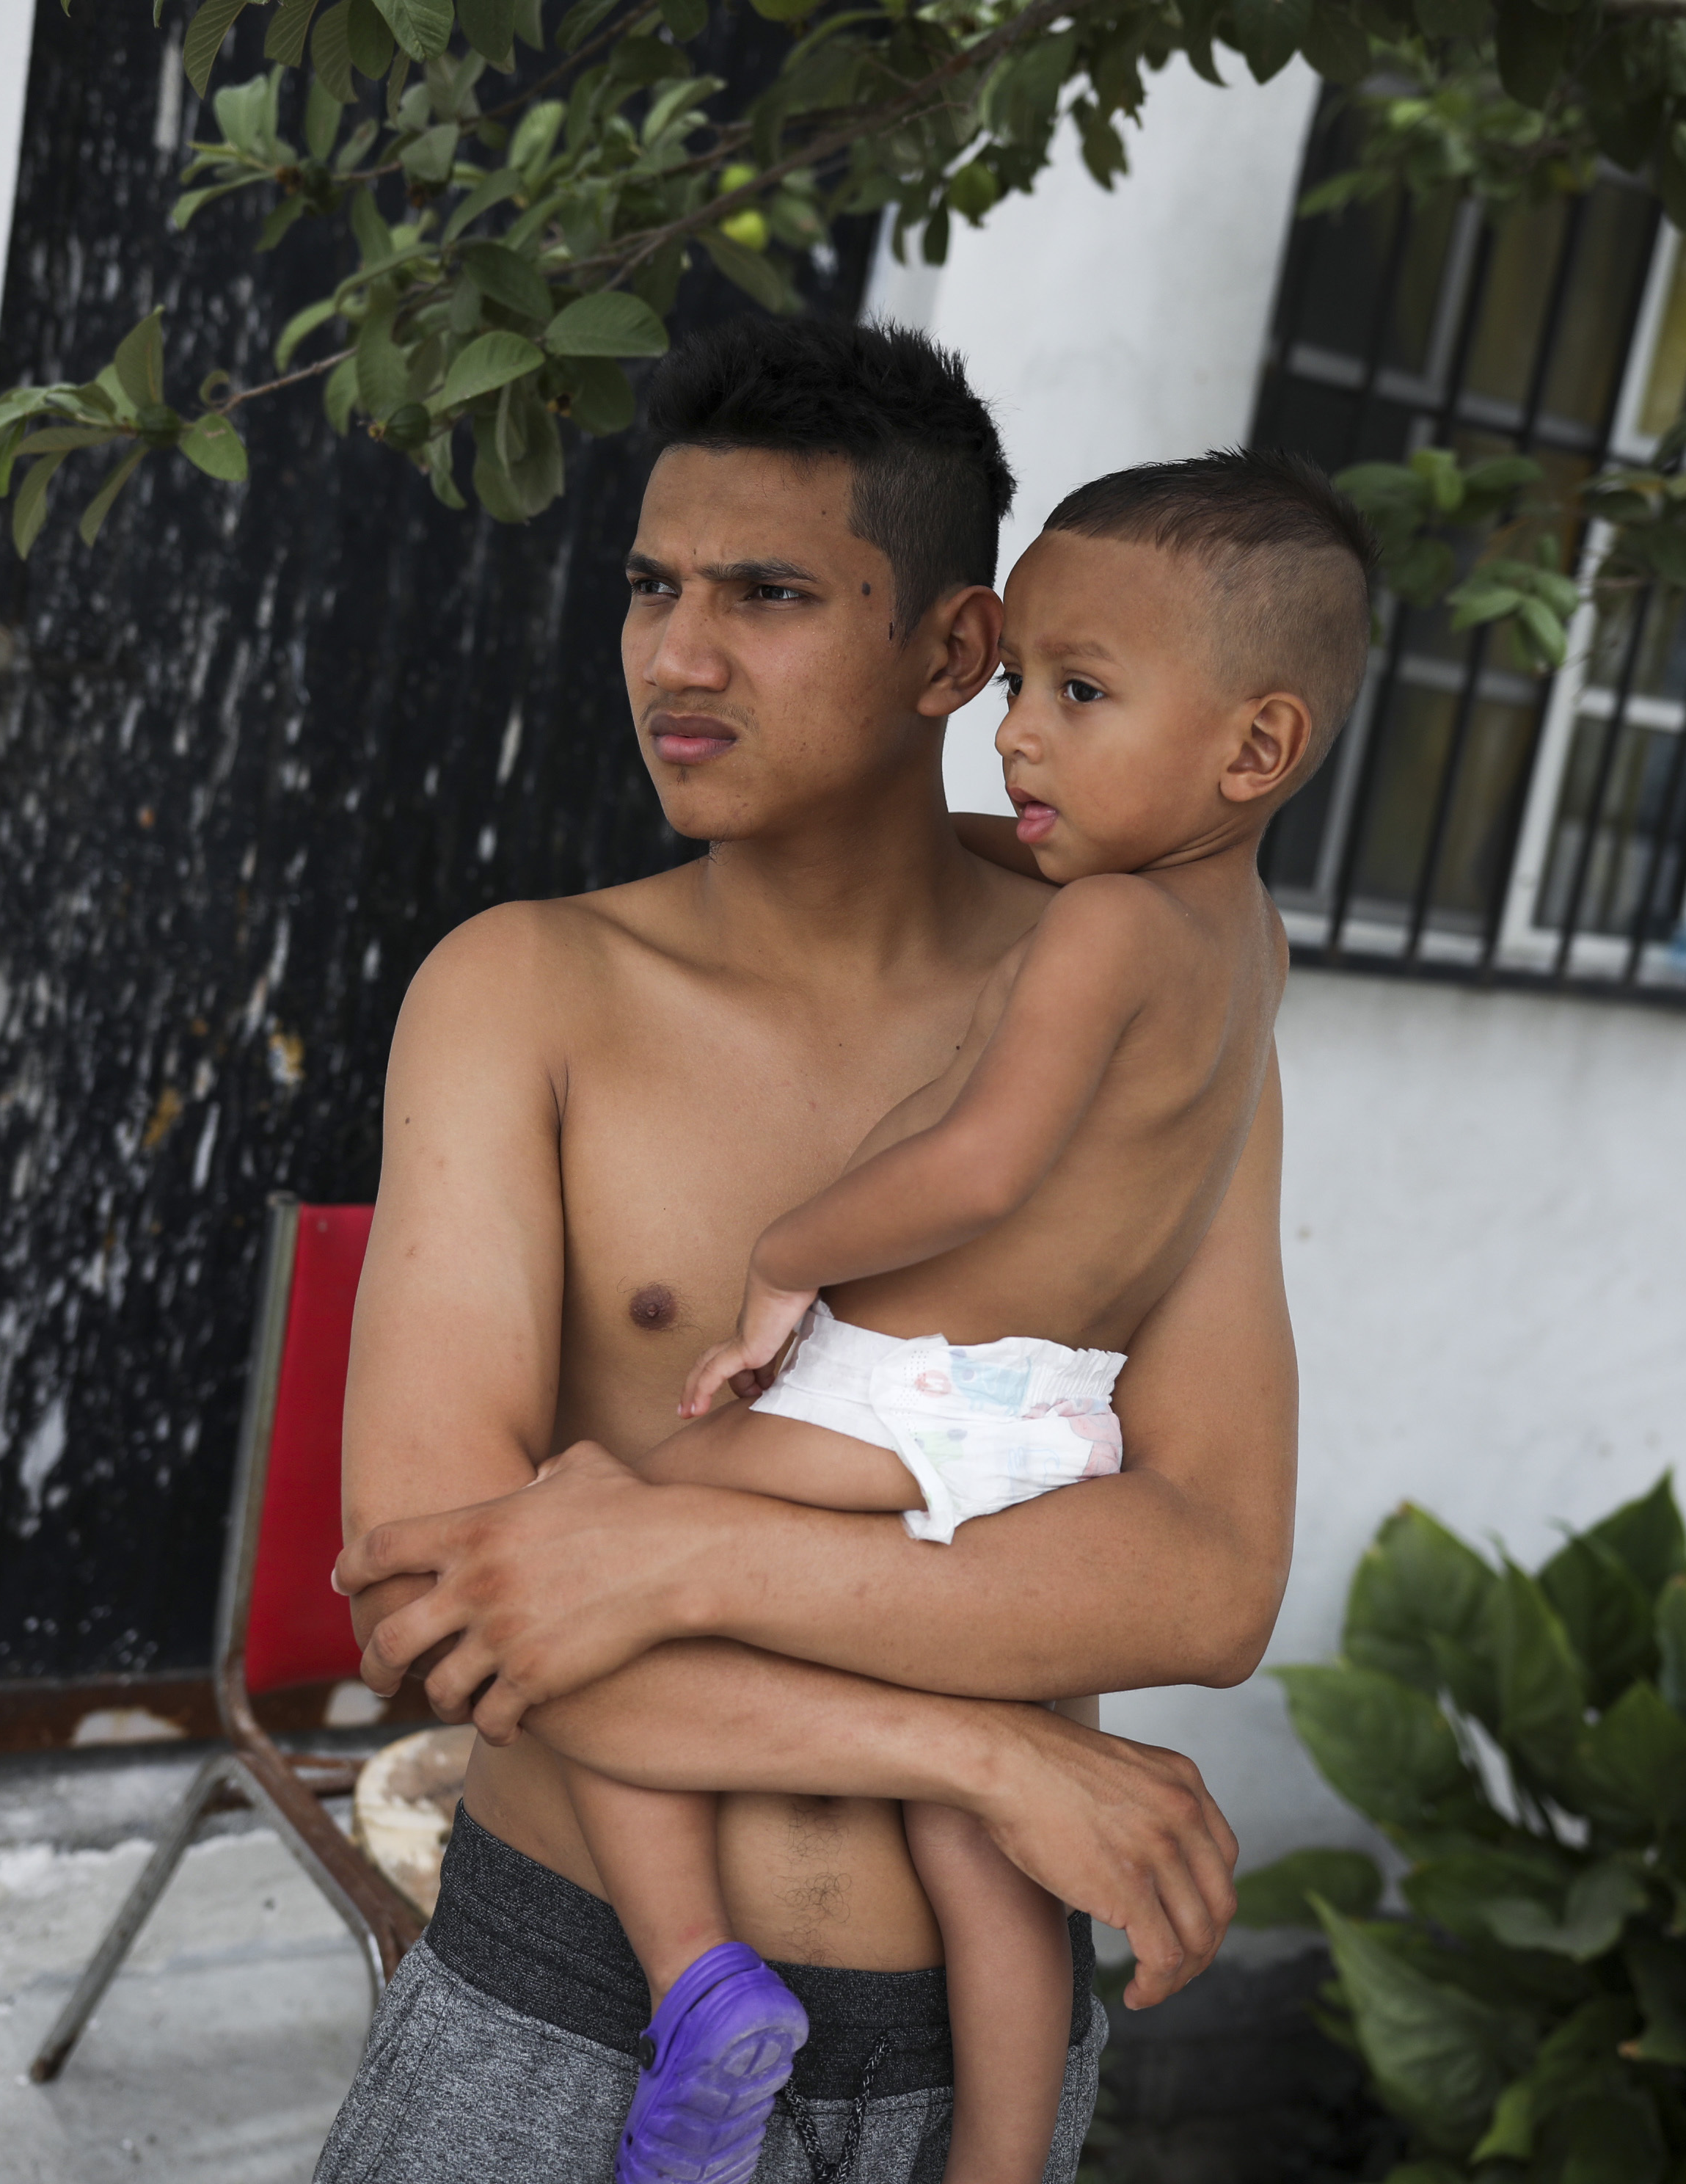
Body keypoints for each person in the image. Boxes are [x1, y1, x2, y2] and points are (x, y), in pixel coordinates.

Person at [315, 318, 1302, 2184]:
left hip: (983, 2064)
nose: (678, 658)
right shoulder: (526, 990)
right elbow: (438, 1601)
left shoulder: (1143, 996)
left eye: (765, 593)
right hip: (581, 2012)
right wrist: (995, 1755)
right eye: (651, 590)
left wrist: (664, 1545)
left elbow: (1206, 1572)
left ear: (956, 647)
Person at [550, 446, 1372, 2184]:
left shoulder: (1101, 939)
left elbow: (985, 1163)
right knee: (981, 1828)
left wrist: (791, 1250)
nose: (1018, 740)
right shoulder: (1248, 945)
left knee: (575, 1556)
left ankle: (698, 1980)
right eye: (1017, 688)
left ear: (1255, 748)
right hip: (1048, 1418)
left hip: (910, 1393)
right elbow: (1027, 868)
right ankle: (1003, 2165)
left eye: (1079, 694)